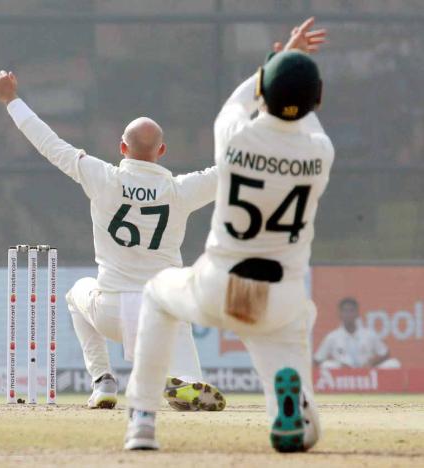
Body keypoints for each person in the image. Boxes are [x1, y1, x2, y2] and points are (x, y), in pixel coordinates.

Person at [124, 17, 332, 452]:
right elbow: (299, 112)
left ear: (267, 92)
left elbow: (243, 97)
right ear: (317, 101)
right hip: (279, 297)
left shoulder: (234, 138)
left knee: (157, 294)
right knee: (307, 431)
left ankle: (142, 419)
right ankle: (286, 407)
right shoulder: (319, 151)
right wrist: (292, 70)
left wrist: (279, 58)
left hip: (218, 285)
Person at [0, 71, 225, 411]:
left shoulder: (103, 177)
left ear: (122, 148)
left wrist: (11, 100)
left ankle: (103, 381)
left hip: (111, 312)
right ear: (162, 150)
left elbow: (50, 144)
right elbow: (234, 170)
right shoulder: (182, 189)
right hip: (161, 314)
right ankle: (185, 381)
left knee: (75, 294)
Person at [314, 297, 401, 369]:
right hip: (342, 377)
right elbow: (317, 360)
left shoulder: (369, 334)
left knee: (394, 363)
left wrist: (372, 363)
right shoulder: (332, 337)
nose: (348, 314)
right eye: (345, 311)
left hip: (367, 373)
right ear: (340, 314)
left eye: (351, 311)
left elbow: (385, 353)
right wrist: (340, 365)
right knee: (326, 365)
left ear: (357, 313)